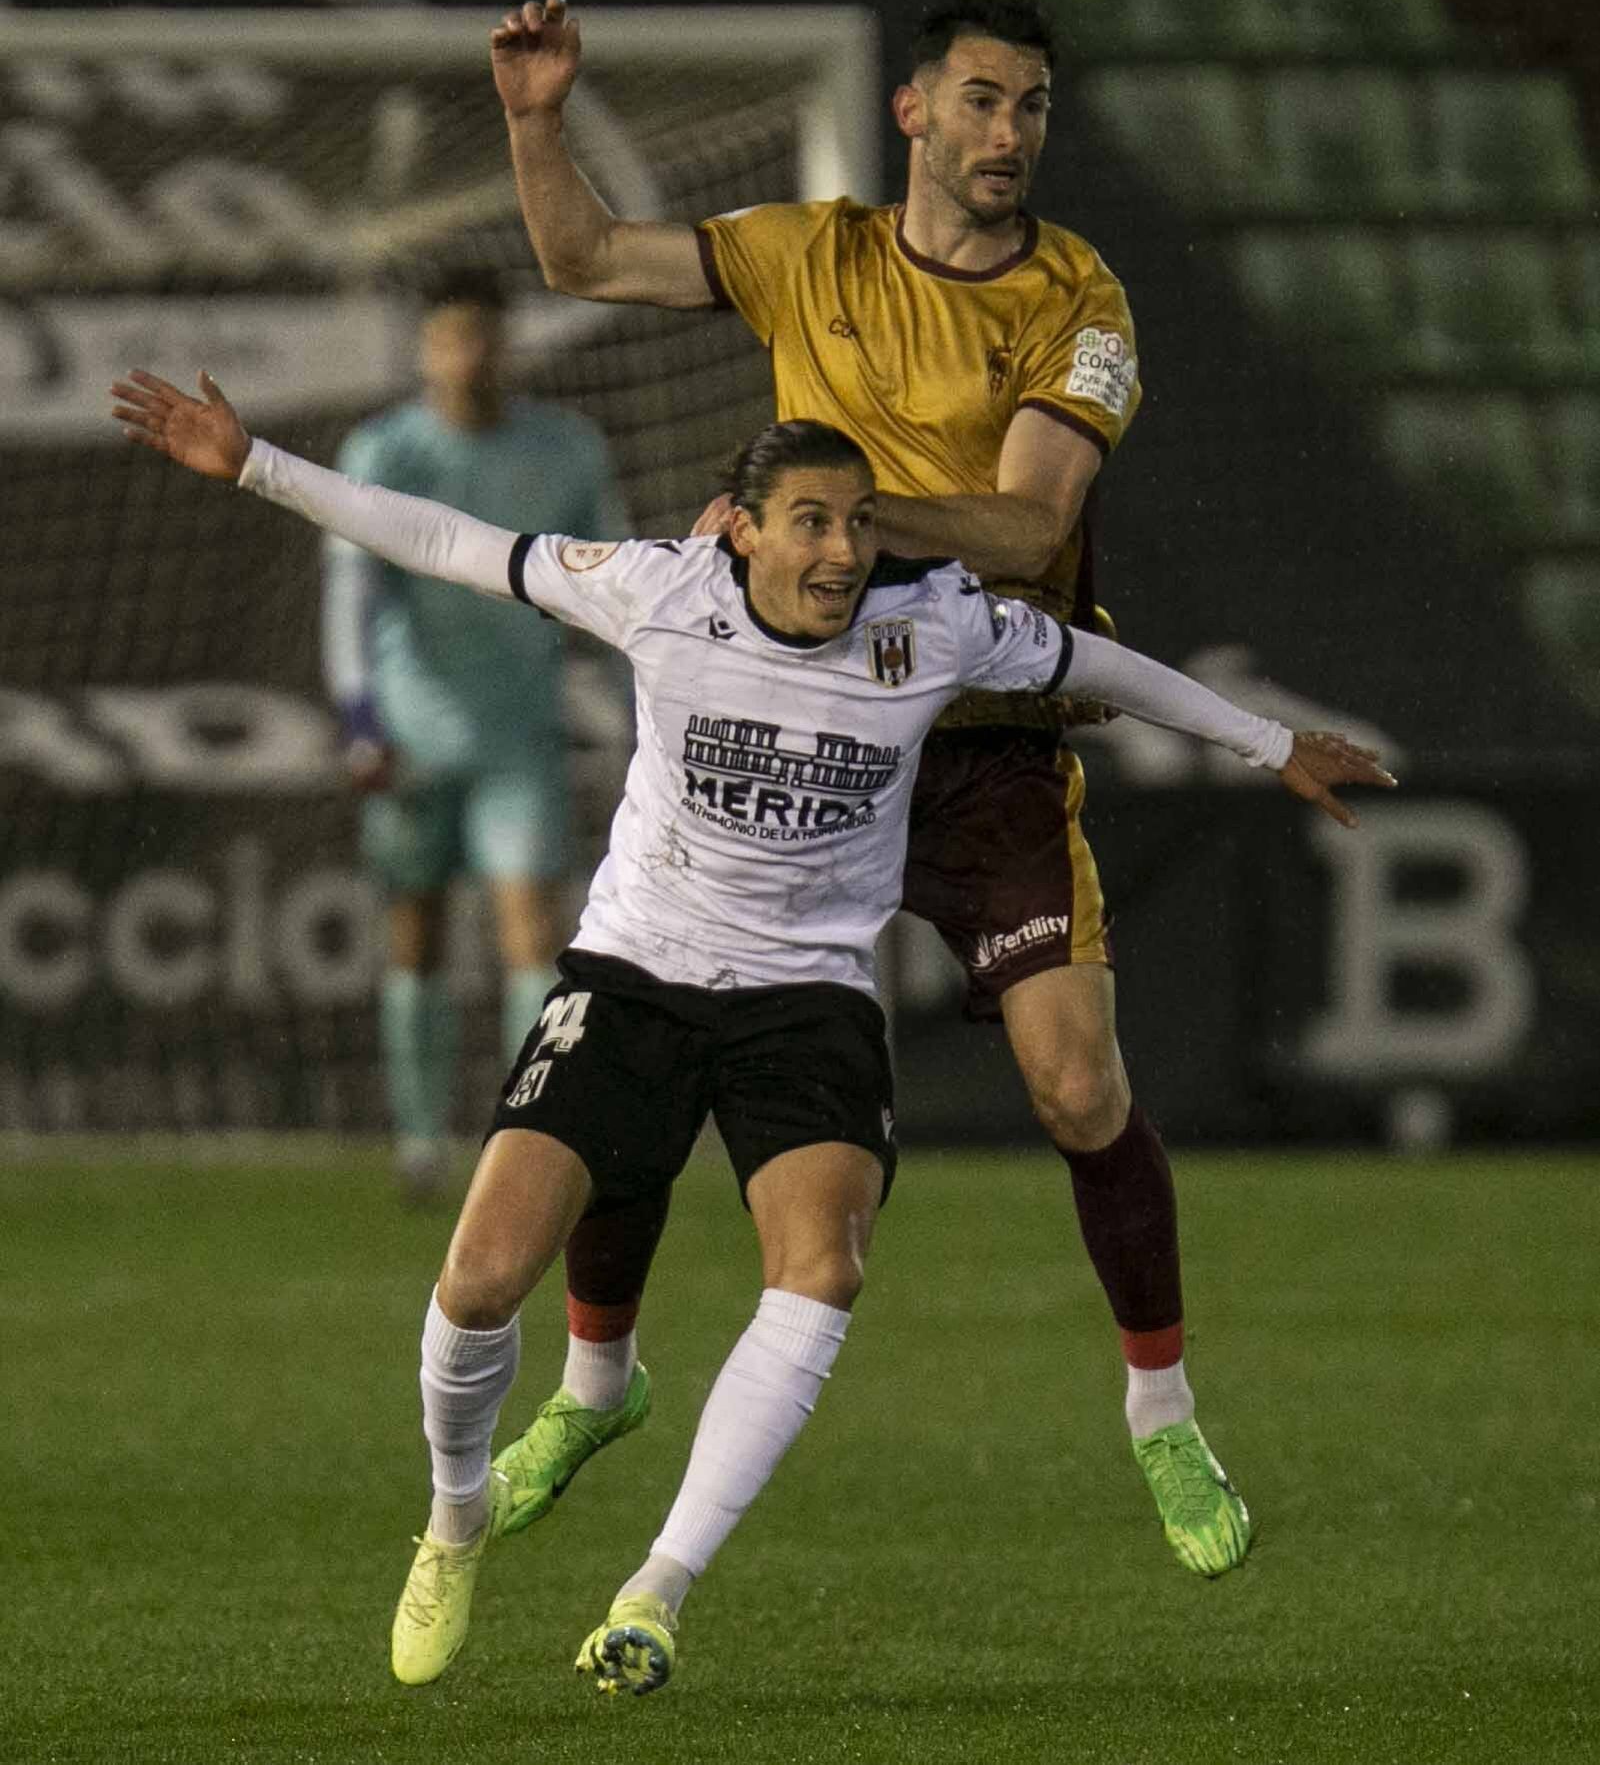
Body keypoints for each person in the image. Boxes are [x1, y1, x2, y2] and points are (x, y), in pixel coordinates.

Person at [110, 370, 1393, 1695]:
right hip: (636, 975)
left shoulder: (934, 624)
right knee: (481, 1281)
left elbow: (1097, 664)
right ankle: (453, 1516)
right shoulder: (663, 590)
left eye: (857, 522)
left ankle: (657, 1587)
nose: (842, 550)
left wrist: (1266, 739)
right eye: (812, 522)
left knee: (821, 1268)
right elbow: (446, 539)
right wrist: (254, 458)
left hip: (809, 999)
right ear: (743, 527)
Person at [488, 0, 1255, 1576]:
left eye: (1033, 106)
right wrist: (536, 118)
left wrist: (817, 509)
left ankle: (1163, 1407)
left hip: (975, 750)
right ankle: (595, 1381)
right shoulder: (809, 249)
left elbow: (1032, 529)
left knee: (1075, 1083)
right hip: (795, 730)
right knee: (647, 1041)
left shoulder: (1079, 300)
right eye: (981, 100)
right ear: (912, 111)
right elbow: (579, 260)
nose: (1008, 133)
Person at [323, 263, 628, 1201]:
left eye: (486, 336)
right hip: (413, 743)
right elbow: (350, 589)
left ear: (510, 343)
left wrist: (638, 708)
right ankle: (420, 1143)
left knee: (531, 933)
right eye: (453, 338)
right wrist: (360, 715)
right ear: (425, 348)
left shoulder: (568, 449)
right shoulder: (384, 452)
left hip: (519, 735)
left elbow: (618, 588)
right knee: (414, 931)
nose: (471, 357)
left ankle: (521, 1142)